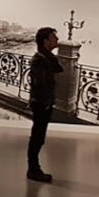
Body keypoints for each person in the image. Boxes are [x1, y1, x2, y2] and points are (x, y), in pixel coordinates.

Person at [27, 27, 63, 182]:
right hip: (41, 103)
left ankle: (34, 169)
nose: (57, 40)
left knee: (39, 136)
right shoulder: (40, 60)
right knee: (37, 136)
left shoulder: (46, 57)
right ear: (45, 41)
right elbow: (40, 84)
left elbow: (57, 70)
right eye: (54, 37)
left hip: (44, 102)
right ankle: (33, 169)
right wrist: (46, 102)